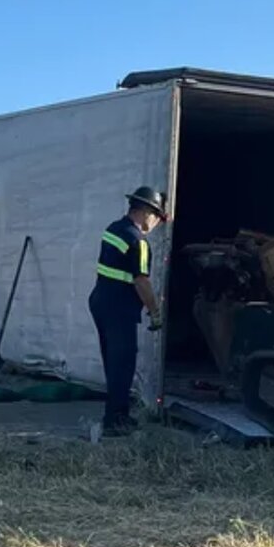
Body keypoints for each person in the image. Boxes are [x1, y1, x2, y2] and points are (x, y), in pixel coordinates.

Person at [88, 185, 166, 436]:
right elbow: (141, 280)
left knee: (112, 361)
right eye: (156, 217)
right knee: (123, 364)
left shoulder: (114, 229)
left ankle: (115, 413)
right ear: (145, 213)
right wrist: (154, 311)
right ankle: (116, 420)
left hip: (101, 301)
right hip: (120, 308)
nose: (156, 223)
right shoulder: (138, 242)